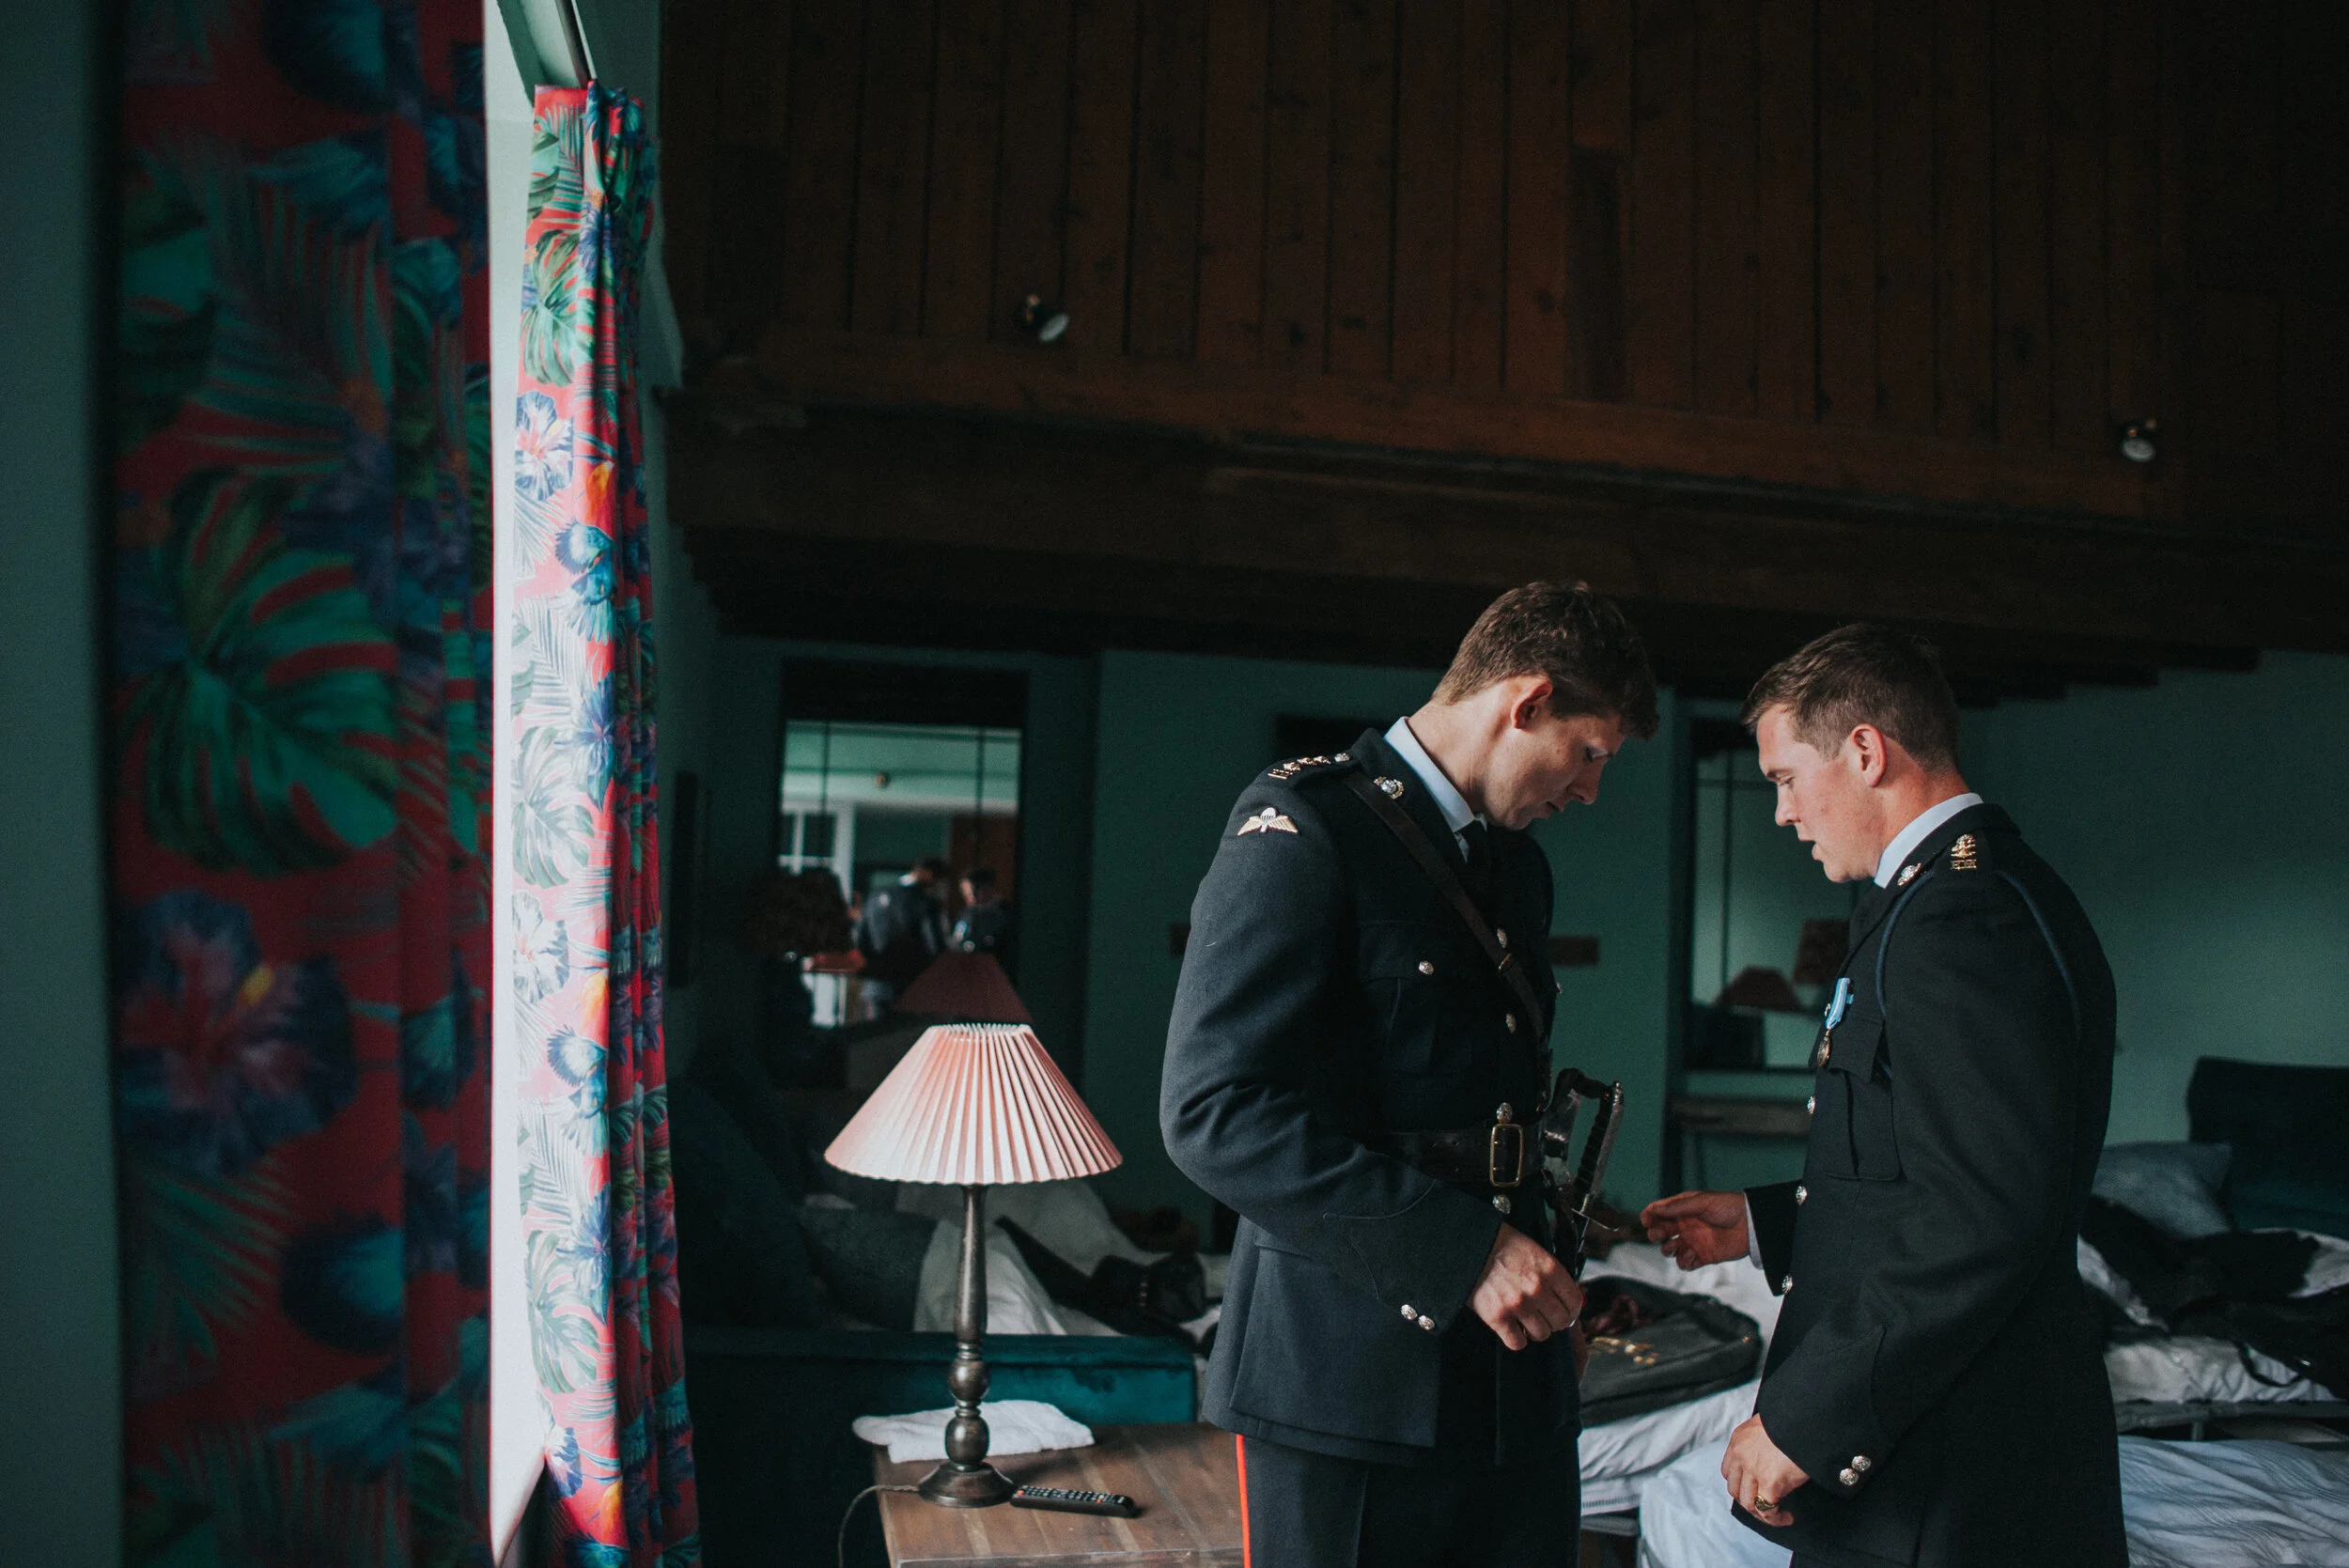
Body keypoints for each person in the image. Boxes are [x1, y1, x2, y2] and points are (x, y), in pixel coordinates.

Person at [1160, 582, 1659, 1568]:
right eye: (1590, 752)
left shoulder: (1516, 867)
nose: (1590, 790)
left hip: (1512, 1375)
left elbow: (1494, 1106)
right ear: (1527, 702)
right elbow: (1213, 1112)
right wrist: (1467, 1254)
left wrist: (1549, 1283)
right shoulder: (1305, 827)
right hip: (1346, 1379)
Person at [1640, 624, 2124, 1567]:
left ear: (1865, 750)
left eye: (1786, 778)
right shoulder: (1955, 895)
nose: (1782, 812)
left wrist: (1805, 1417)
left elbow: (1982, 1218)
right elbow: (1927, 1170)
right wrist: (1766, 1221)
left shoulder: (1958, 921)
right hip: (1948, 1446)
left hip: (1949, 1459)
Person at [852, 856, 948, 1014]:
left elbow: (860, 940)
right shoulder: (927, 903)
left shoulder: (875, 896)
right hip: (912, 986)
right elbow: (936, 946)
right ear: (929, 875)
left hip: (876, 985)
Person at [951, 865, 1017, 973]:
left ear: (989, 887)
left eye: (975, 890)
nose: (971, 897)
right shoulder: (966, 914)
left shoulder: (1004, 914)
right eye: (966, 893)